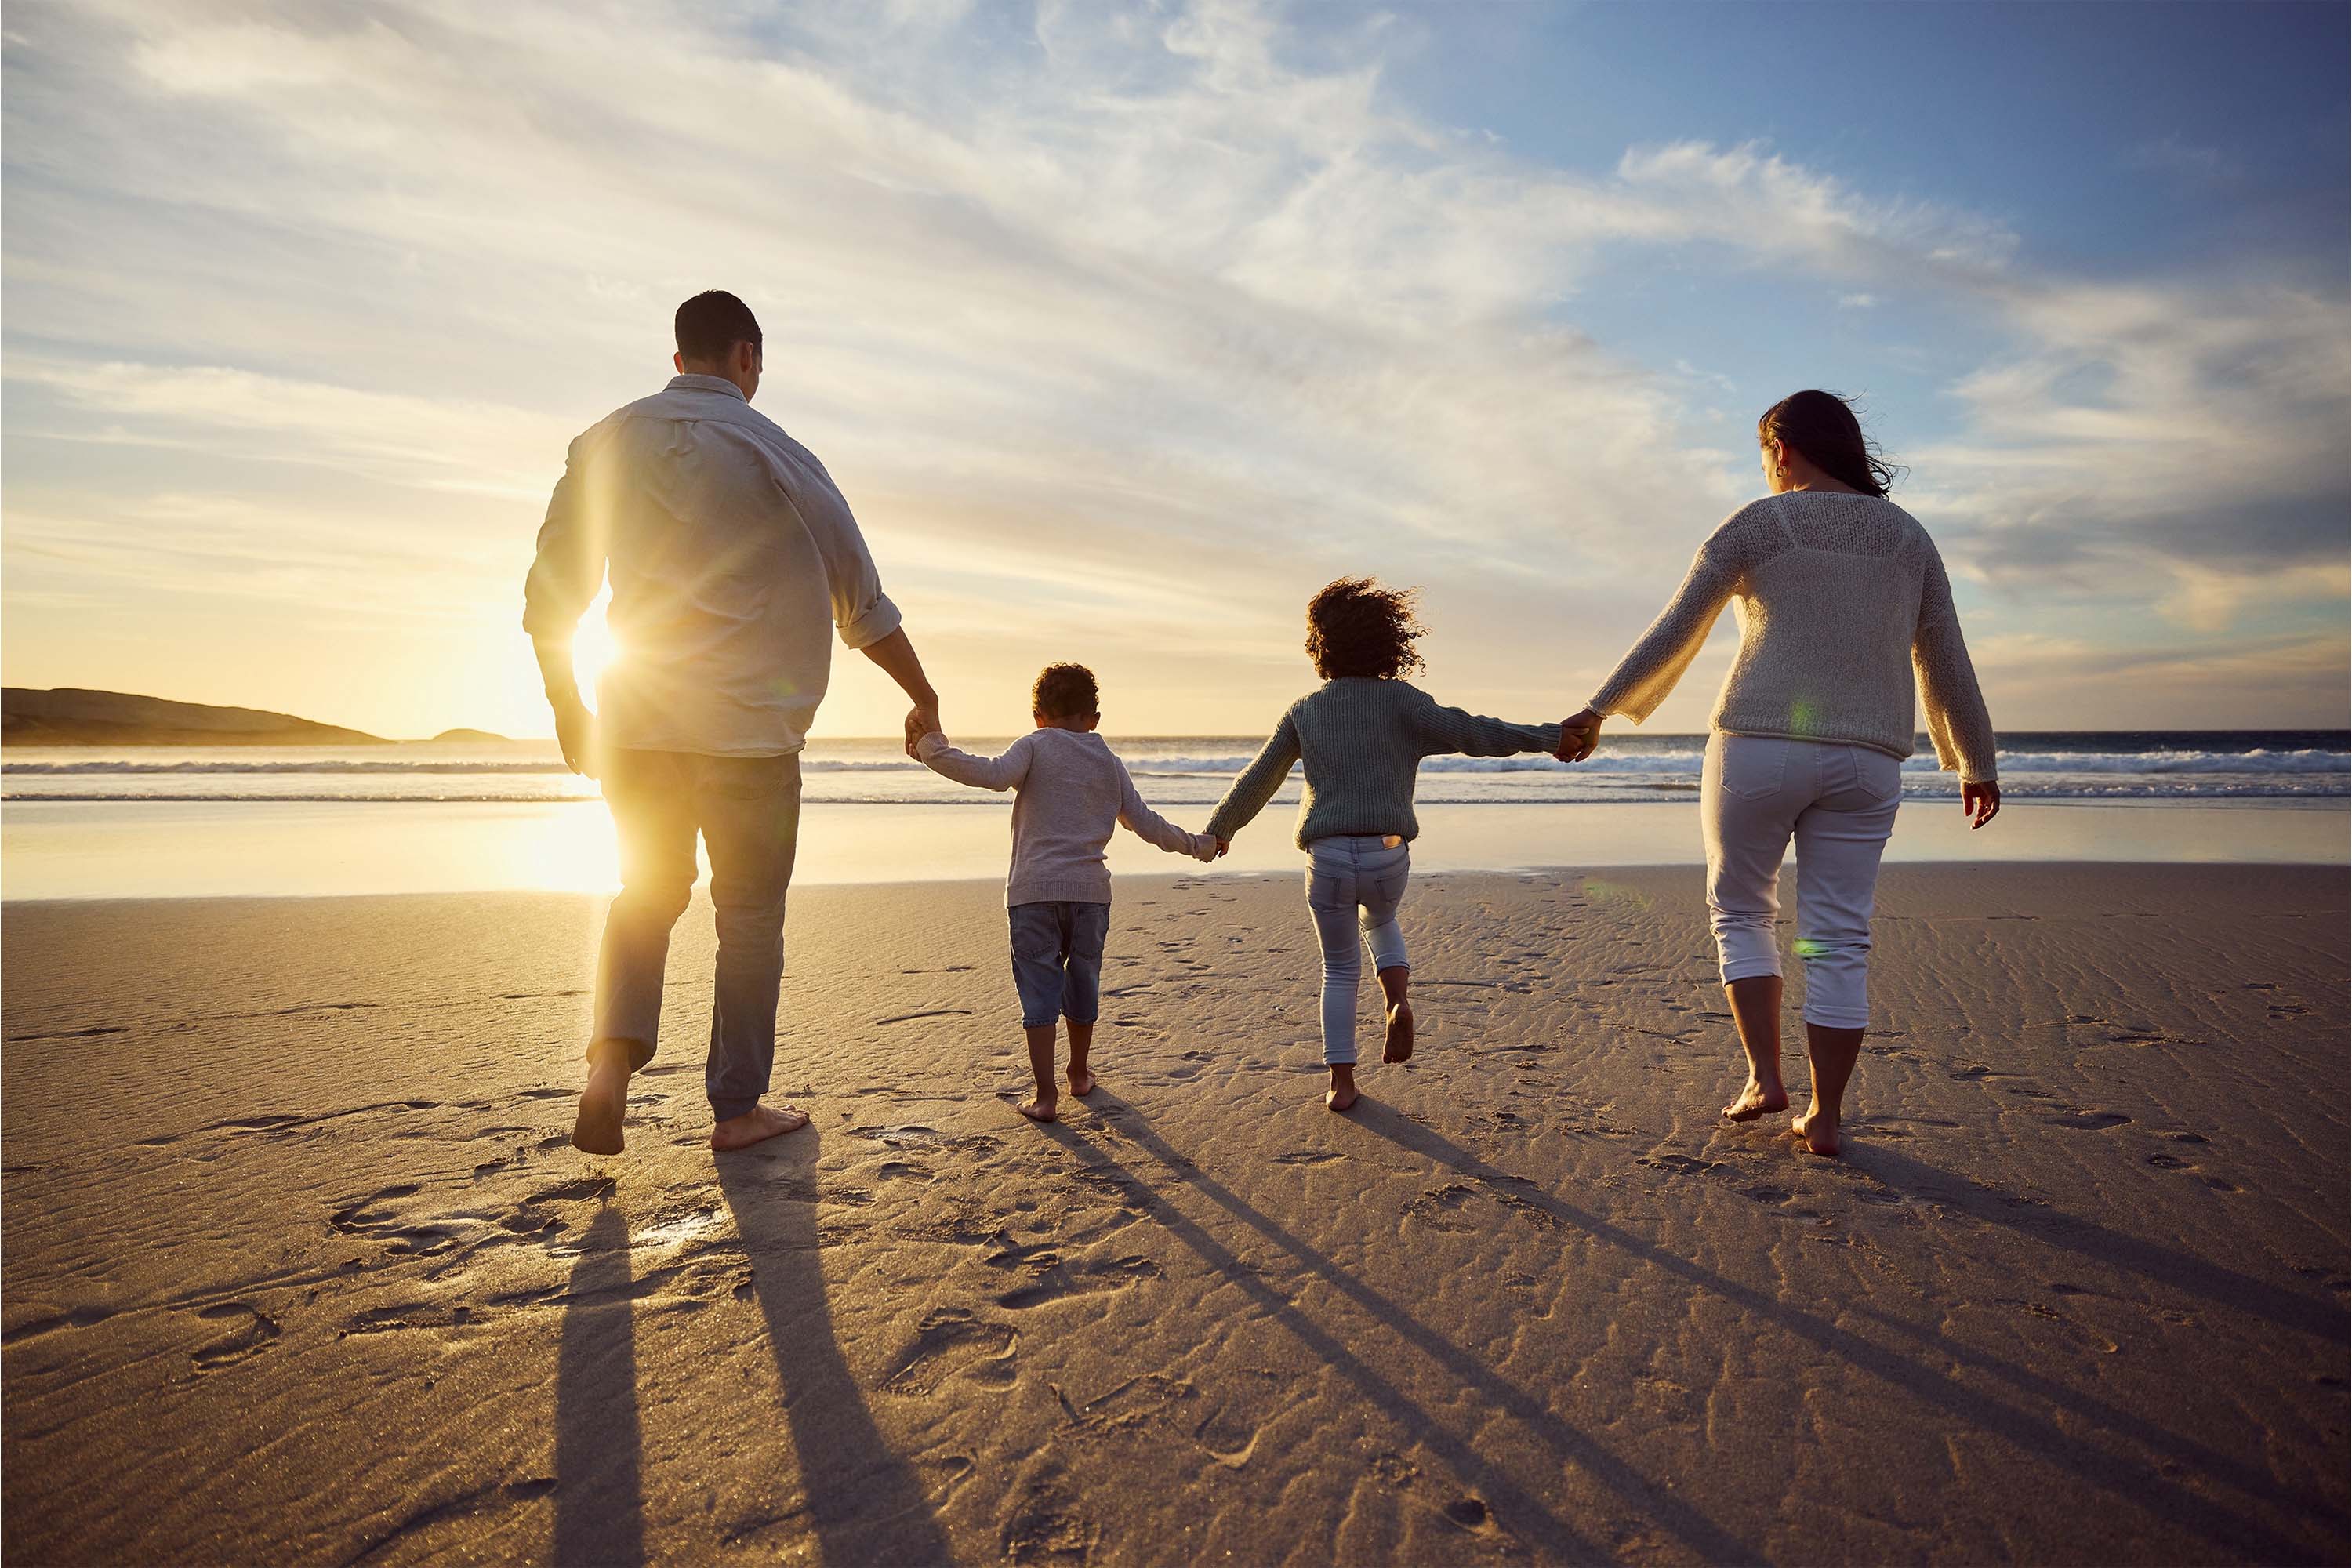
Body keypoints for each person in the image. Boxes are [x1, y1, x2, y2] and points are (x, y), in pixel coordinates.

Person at [524, 289, 942, 1156]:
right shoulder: (776, 447)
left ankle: (609, 1067)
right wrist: (922, 694)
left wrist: (571, 707)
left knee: (648, 890)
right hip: (750, 735)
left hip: (636, 723)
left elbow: (553, 598)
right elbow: (858, 597)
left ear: (679, 360)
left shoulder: (602, 441)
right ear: (747, 356)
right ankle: (736, 1108)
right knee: (748, 916)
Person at [1557, 390, 1999, 1156]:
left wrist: (1600, 707)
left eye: (1765, 453)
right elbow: (1943, 653)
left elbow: (1676, 625)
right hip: (1868, 758)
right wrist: (1974, 760)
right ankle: (1826, 1118)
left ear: (1783, 448)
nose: (1766, 468)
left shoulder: (1764, 523)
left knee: (1741, 908)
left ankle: (1766, 1077)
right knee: (1837, 934)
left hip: (1757, 744)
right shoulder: (1909, 538)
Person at [1205, 579, 1563, 1112]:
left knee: (1338, 968)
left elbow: (1259, 778)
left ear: (1320, 647)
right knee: (1381, 919)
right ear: (1388, 642)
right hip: (1387, 854)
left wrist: (1220, 829)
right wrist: (1554, 738)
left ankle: (1341, 1084)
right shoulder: (1403, 703)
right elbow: (1477, 733)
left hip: (1325, 857)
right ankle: (1397, 1001)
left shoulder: (1305, 710)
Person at [913, 663, 1218, 1122]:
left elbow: (991, 774)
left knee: (1039, 992)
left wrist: (930, 747)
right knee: (1082, 981)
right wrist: (1200, 845)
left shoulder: (1034, 745)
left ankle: (1045, 1095)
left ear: (1038, 715)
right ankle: (1079, 1073)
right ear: (1094, 717)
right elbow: (1146, 823)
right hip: (1091, 895)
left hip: (1033, 893)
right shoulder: (1109, 763)